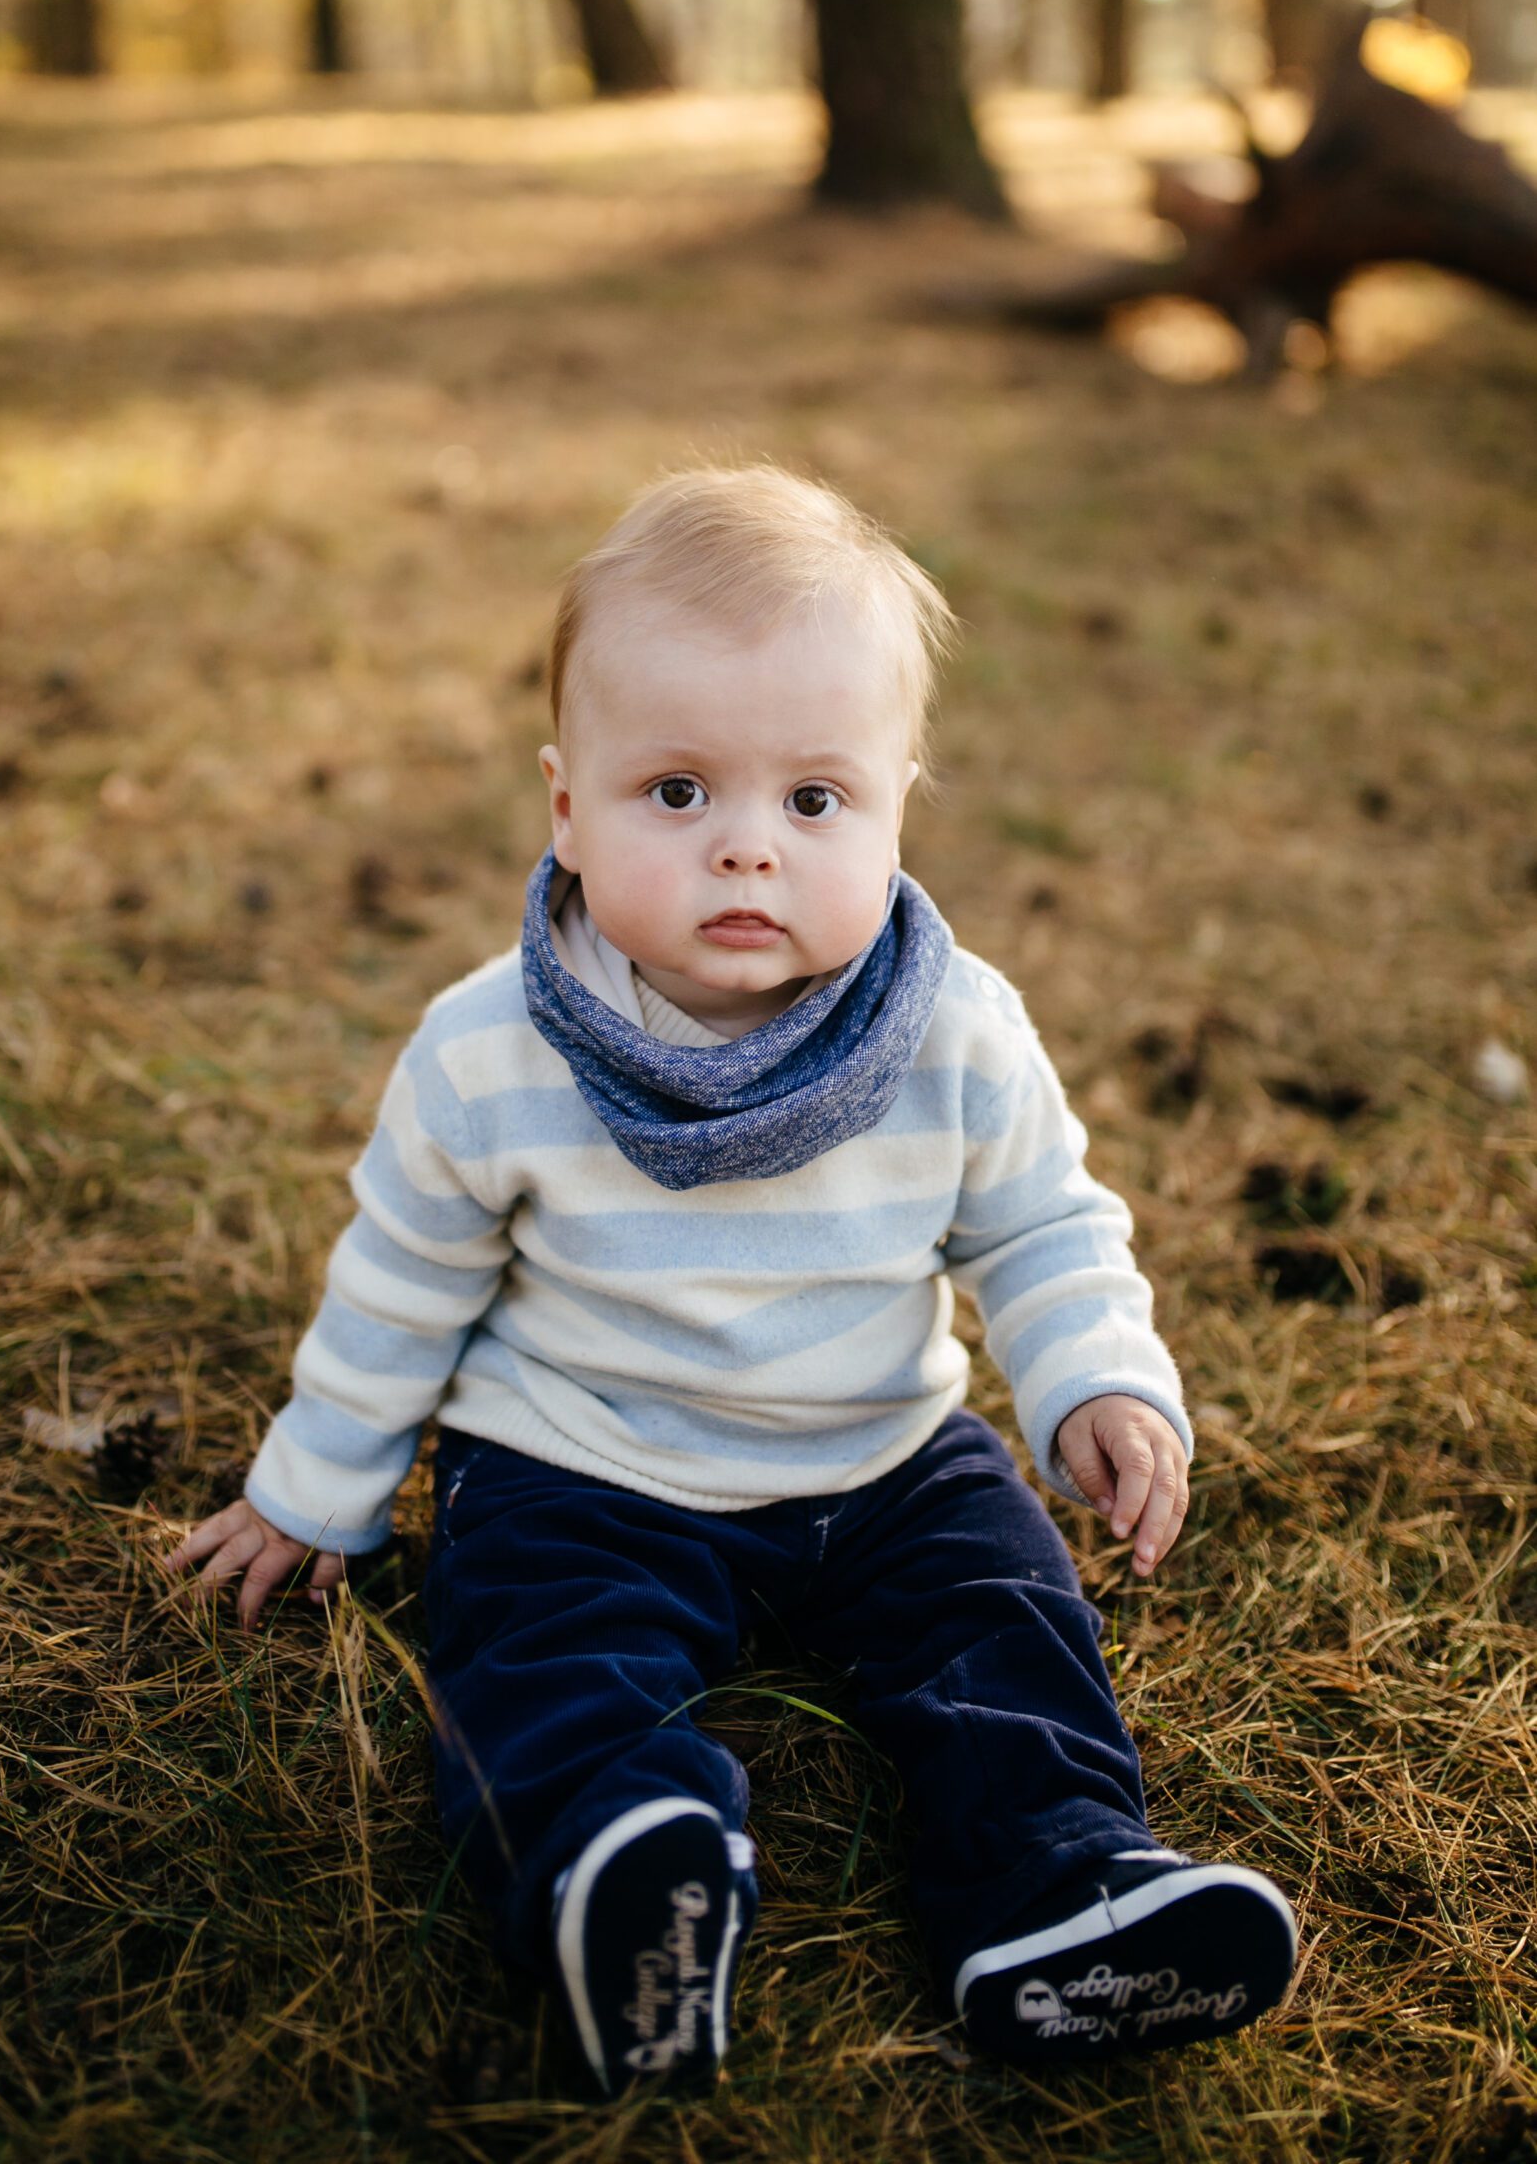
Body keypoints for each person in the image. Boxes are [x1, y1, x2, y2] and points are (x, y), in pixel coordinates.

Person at [166, 466, 1297, 2090]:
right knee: (536, 1652)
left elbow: (1042, 1228)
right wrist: (316, 1490)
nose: (749, 850)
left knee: (1003, 1621)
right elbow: (402, 1281)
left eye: (816, 801)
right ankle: (624, 1869)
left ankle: (1063, 1890)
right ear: (568, 806)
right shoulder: (490, 1053)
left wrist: (1096, 1381)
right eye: (679, 791)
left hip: (880, 1455)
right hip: (587, 1459)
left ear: (900, 807)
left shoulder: (953, 1031)